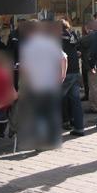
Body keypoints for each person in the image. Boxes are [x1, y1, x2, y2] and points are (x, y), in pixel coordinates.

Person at [18, 20, 67, 150]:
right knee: (51, 112)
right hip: (50, 84)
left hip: (36, 85)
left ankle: (40, 142)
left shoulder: (28, 46)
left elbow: (24, 68)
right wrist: (62, 75)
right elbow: (63, 58)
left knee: (38, 114)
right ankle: (53, 140)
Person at [60, 19, 84, 136]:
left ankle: (62, 124)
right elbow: (77, 49)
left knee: (56, 100)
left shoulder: (57, 38)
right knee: (76, 101)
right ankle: (79, 127)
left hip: (64, 72)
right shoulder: (73, 34)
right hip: (75, 70)